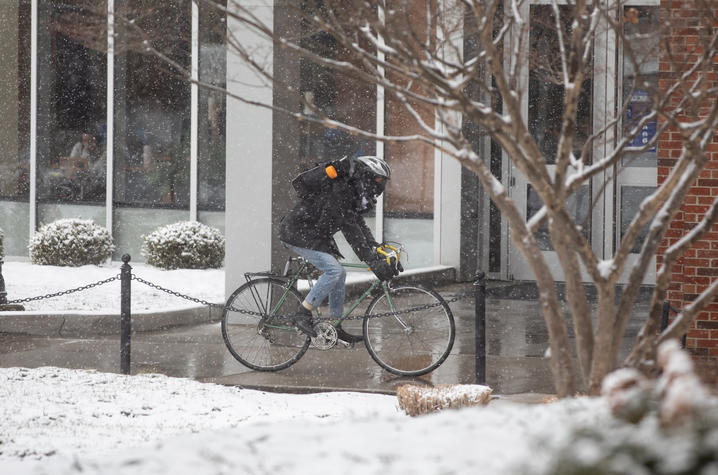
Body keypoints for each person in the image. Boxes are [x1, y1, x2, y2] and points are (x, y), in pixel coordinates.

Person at [280, 155, 401, 339]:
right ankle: (302, 313)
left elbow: (357, 223)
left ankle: (333, 326)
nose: (380, 186)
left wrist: (374, 249)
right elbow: (349, 228)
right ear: (367, 175)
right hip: (297, 232)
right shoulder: (340, 189)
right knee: (334, 271)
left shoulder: (352, 192)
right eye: (378, 179)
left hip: (314, 235)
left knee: (340, 274)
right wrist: (369, 259)